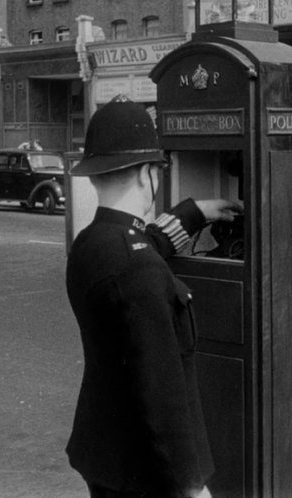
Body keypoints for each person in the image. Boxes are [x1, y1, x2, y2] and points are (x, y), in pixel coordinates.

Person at [66, 95, 241, 498]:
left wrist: (195, 211)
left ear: (95, 175)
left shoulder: (91, 245)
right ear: (149, 174)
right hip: (147, 473)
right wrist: (191, 486)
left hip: (106, 453)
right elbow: (161, 392)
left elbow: (145, 244)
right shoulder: (138, 268)